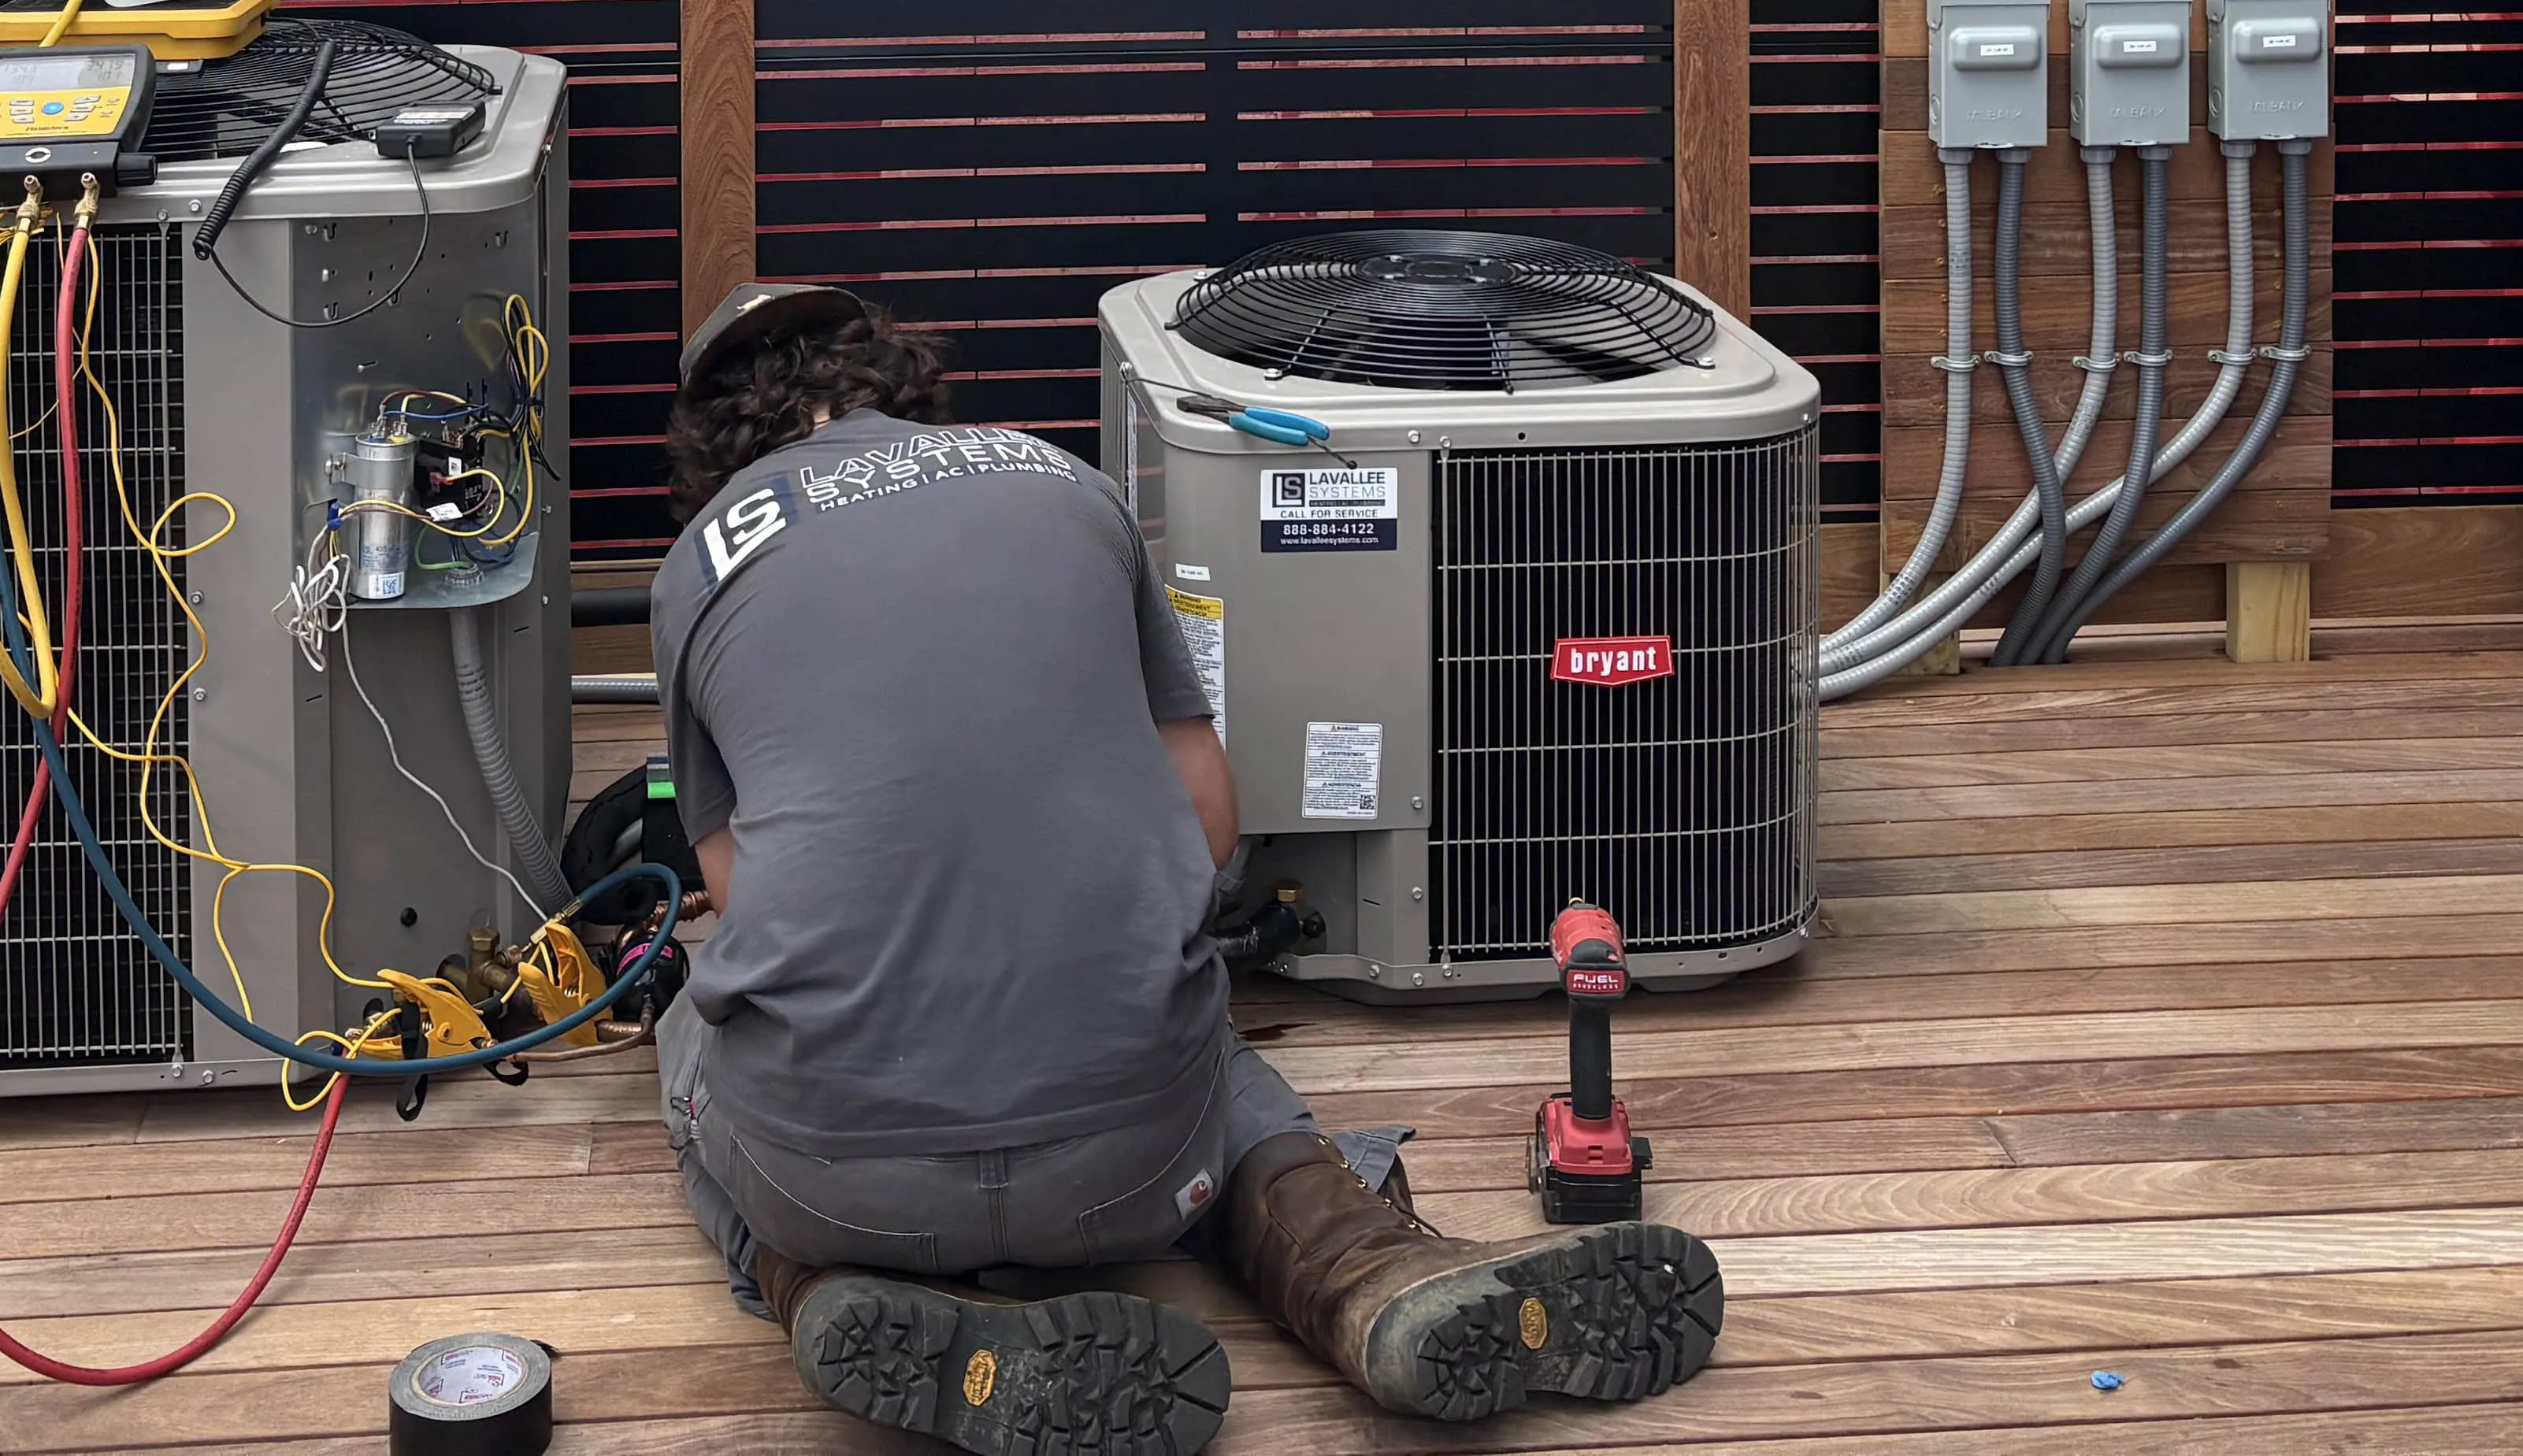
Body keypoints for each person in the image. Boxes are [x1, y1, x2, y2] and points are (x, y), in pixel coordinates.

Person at [648, 276, 1726, 1449]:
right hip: (1129, 1163)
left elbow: (739, 896)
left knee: (689, 1018)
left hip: (842, 1182)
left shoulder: (696, 570)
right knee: (1189, 1023)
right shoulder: (1068, 486)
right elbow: (1208, 824)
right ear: (900, 382)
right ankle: (1367, 1276)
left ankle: (825, 1286)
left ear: (713, 447)